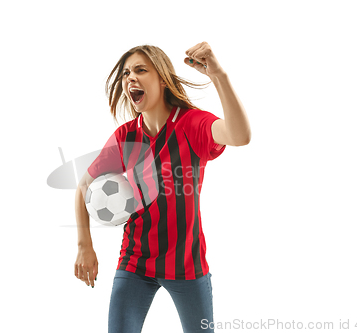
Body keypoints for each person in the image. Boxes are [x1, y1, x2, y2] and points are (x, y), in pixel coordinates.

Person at [74, 42, 251, 333]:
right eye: (126, 72)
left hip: (186, 265)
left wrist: (219, 76)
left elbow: (240, 135)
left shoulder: (192, 124)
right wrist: (84, 246)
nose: (130, 77)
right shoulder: (126, 136)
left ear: (162, 79)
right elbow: (84, 186)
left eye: (140, 70)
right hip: (135, 262)